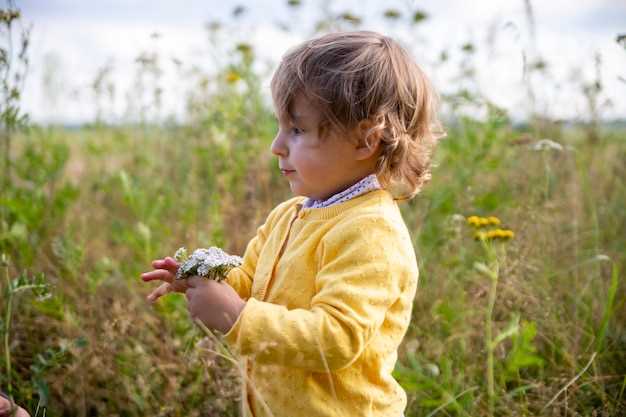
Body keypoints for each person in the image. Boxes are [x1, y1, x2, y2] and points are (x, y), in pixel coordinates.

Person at [141, 30, 442, 417]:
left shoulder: (371, 231)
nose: (276, 145)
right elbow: (252, 282)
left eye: (297, 130)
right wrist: (206, 278)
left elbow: (337, 338)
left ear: (365, 141)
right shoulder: (291, 213)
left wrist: (237, 316)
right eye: (281, 126)